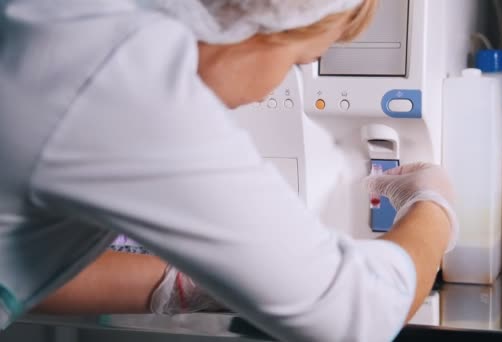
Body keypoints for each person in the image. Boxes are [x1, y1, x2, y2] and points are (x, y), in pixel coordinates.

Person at [0, 0, 458, 341]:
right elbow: (354, 312)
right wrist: (434, 206)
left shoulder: (76, 22)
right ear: (255, 22)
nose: (278, 85)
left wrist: (184, 285)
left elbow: (22, 262)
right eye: (296, 61)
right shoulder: (129, 76)